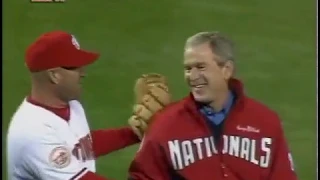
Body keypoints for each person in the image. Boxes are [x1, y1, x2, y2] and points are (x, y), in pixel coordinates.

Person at [128, 31, 298, 180]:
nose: (193, 77)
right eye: (188, 69)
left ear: (227, 70)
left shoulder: (265, 122)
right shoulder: (165, 125)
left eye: (201, 67)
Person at [6, 31, 162, 180]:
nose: (83, 73)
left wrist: (134, 134)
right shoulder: (32, 130)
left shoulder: (71, 105)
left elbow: (83, 146)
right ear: (54, 75)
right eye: (75, 67)